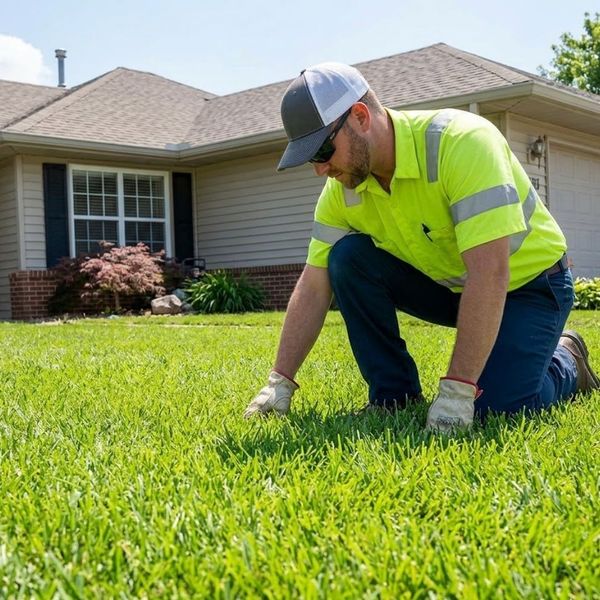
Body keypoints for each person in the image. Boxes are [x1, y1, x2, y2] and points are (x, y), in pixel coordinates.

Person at [244, 62, 599, 431]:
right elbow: (314, 285)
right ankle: (394, 396)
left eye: (322, 152)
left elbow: (490, 273)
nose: (320, 169)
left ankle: (567, 358)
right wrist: (279, 380)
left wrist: (458, 390)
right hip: (454, 288)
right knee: (347, 258)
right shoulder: (342, 192)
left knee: (500, 411)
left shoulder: (462, 143)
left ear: (361, 117)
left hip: (530, 286)